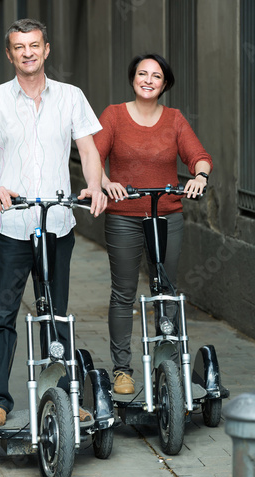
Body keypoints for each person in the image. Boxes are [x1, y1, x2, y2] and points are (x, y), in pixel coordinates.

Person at [0, 18, 106, 426]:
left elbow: (89, 149)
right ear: (10, 54)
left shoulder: (71, 97)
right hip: (9, 227)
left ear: (46, 50)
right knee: (2, 313)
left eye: (34, 45)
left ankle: (59, 395)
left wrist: (94, 185)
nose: (27, 52)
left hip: (58, 223)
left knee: (55, 313)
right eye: (19, 47)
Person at [94, 53, 212, 395]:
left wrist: (199, 176)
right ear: (133, 78)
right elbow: (93, 154)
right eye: (142, 74)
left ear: (165, 84)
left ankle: (167, 363)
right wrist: (103, 181)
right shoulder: (114, 115)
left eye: (155, 76)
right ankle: (121, 370)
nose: (148, 80)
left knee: (166, 291)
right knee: (123, 293)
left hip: (166, 215)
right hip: (123, 218)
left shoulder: (174, 119)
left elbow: (198, 156)